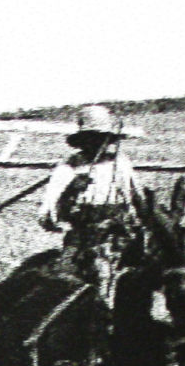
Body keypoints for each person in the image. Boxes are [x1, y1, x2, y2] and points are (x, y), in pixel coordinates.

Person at [37, 104, 142, 294]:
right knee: (61, 284)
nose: (97, 144)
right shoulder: (69, 166)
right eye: (91, 138)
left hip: (117, 237)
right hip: (82, 238)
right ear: (82, 141)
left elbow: (136, 201)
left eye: (102, 138)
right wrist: (71, 191)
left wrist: (132, 222)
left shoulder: (121, 163)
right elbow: (47, 213)